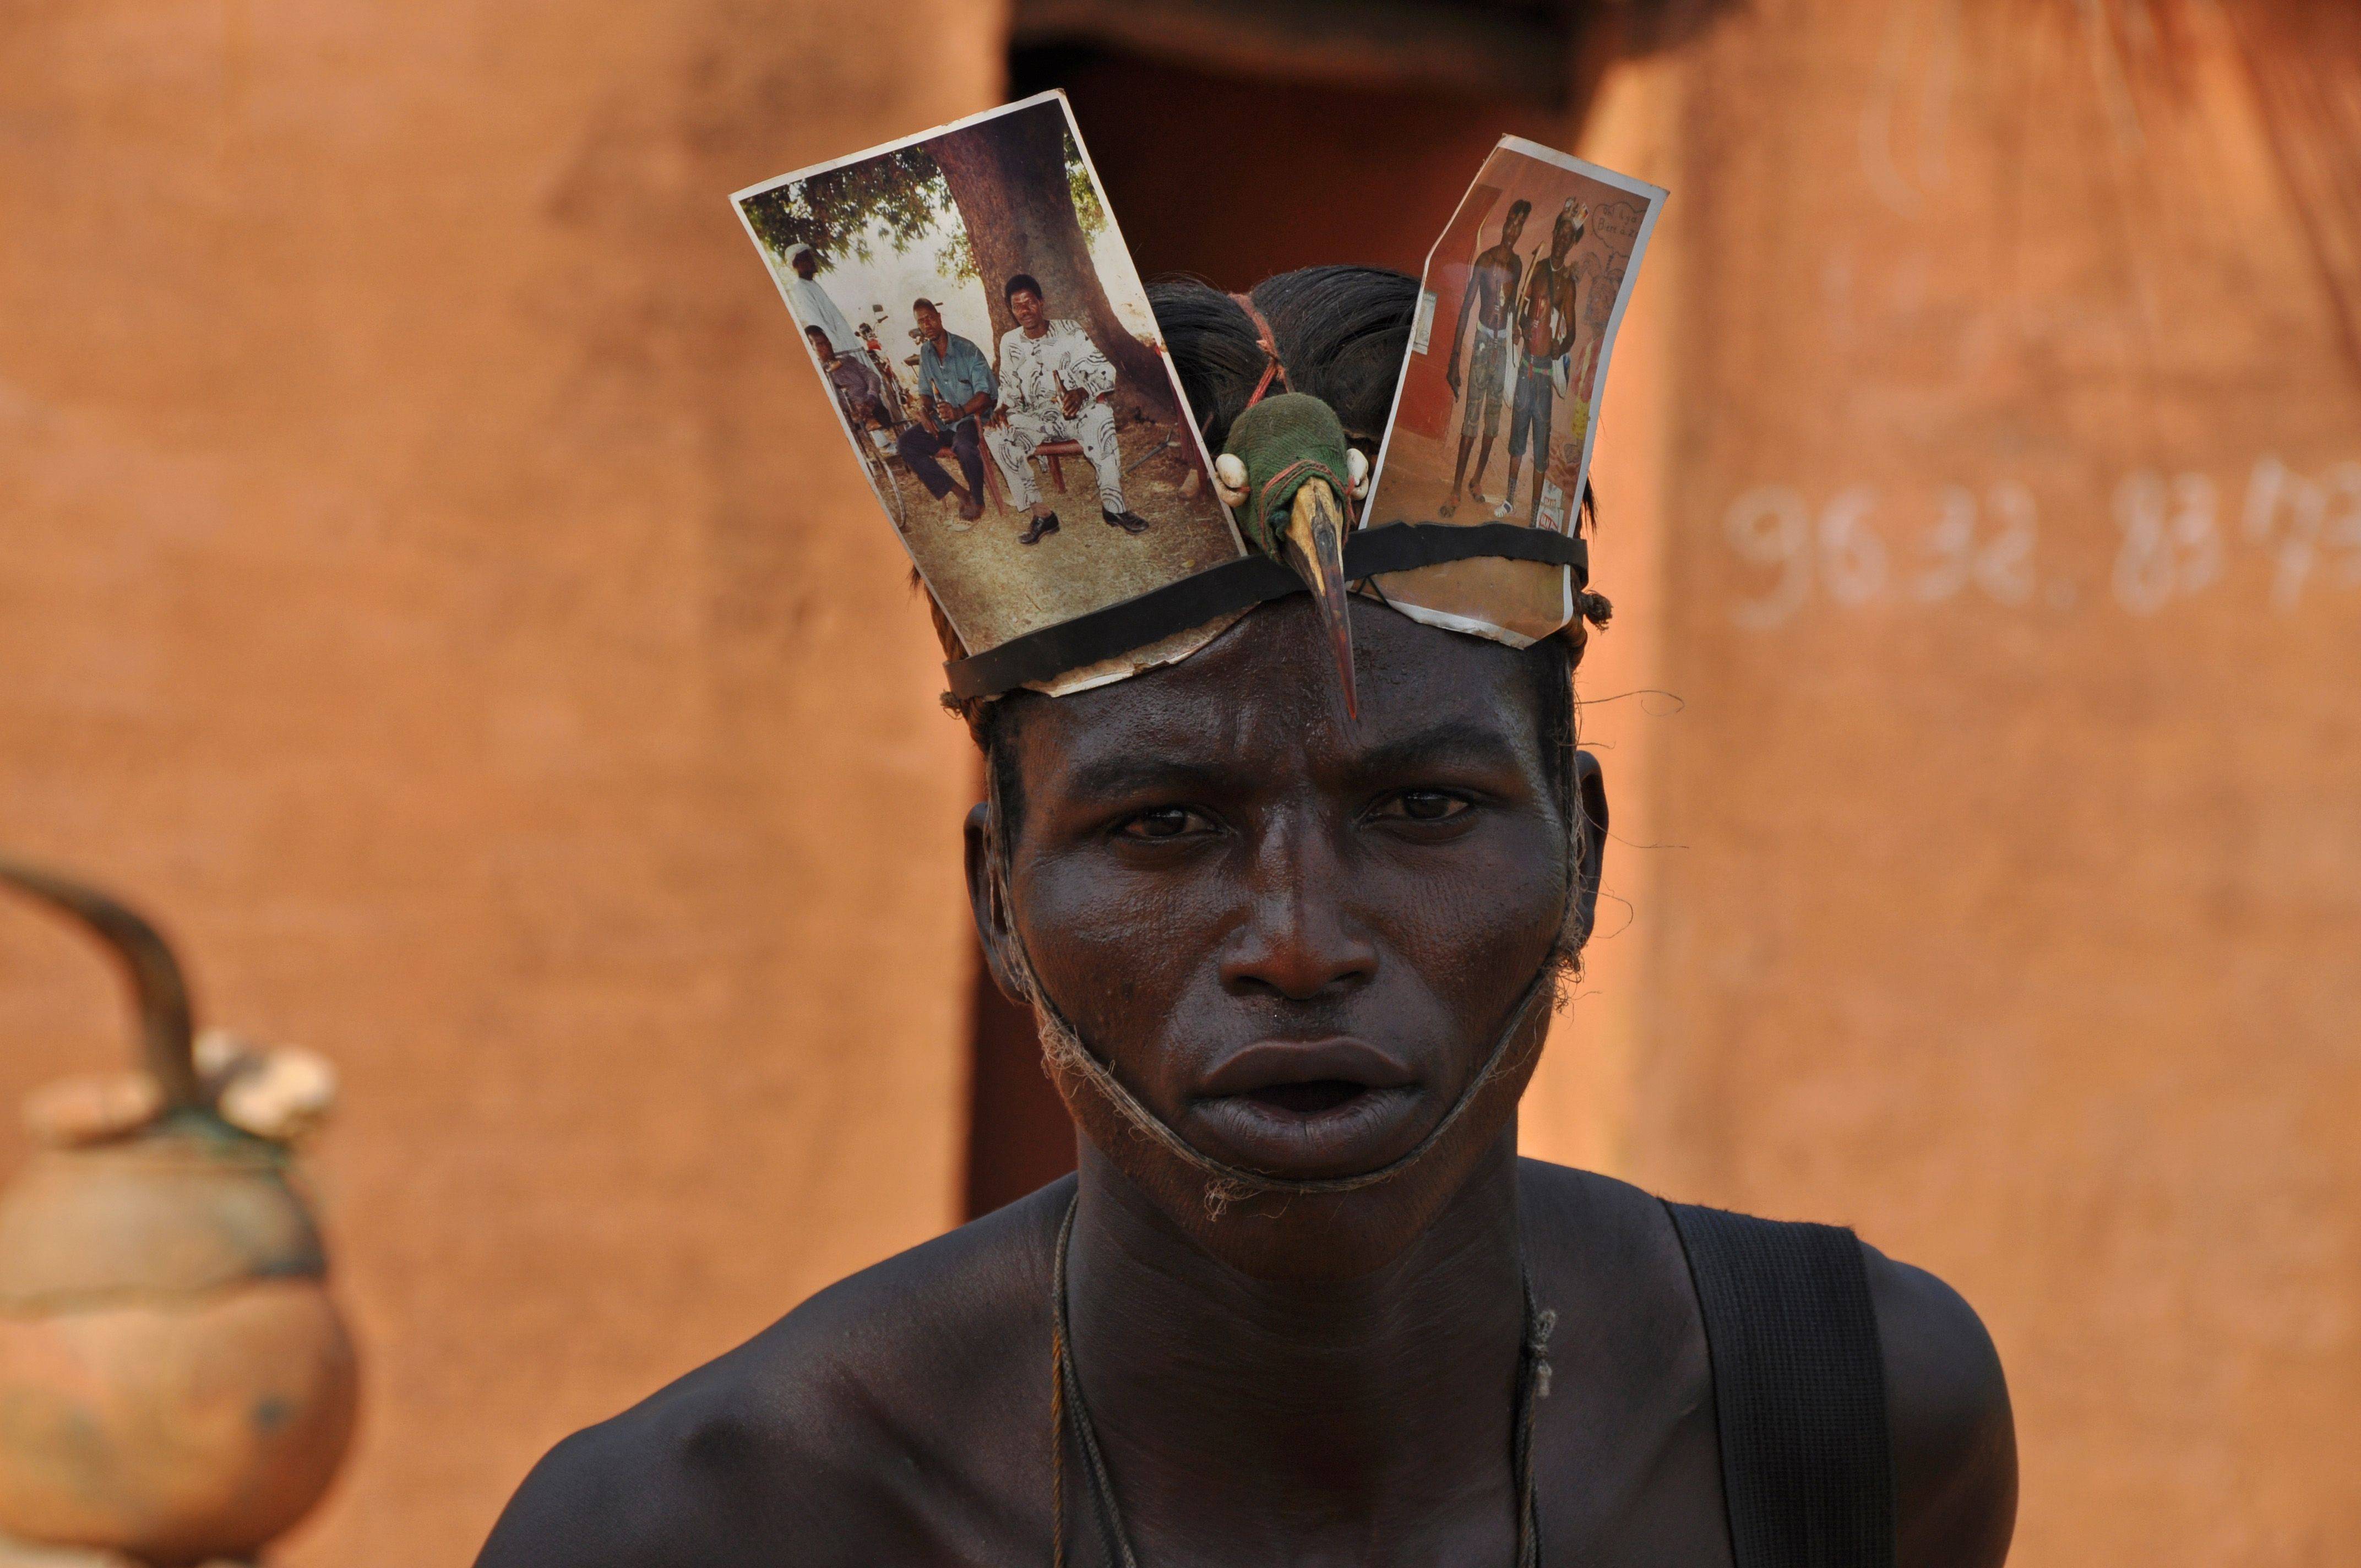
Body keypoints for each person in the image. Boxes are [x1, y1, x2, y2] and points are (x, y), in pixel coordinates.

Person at [476, 266, 2016, 1568]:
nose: (1298, 941)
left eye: (1423, 807)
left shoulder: (1848, 1426)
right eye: (1162, 826)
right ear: (998, 901)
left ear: (1583, 854)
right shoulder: (693, 1527)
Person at [982, 271, 1154, 546]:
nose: (1025, 311)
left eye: (1030, 302)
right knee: (994, 434)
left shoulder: (1070, 331)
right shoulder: (1010, 342)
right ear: (1011, 310)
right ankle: (1042, 515)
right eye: (1017, 306)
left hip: (1073, 414)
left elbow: (1106, 372)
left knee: (1101, 414)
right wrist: (1002, 408)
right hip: (1035, 419)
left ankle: (1114, 508)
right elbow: (1008, 386)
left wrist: (1083, 391)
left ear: (1041, 302)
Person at [1500, 199, 1594, 527]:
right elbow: (1521, 307)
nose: (1563, 241)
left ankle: (1532, 516)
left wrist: (1560, 346)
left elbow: (1572, 333)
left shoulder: (1568, 285)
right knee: (1517, 439)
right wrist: (1521, 325)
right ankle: (1509, 500)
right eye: (1561, 233)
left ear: (1572, 243)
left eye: (1570, 237)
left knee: (1540, 445)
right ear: (1554, 234)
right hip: (1526, 366)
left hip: (1543, 374)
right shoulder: (1537, 268)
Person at [1439, 198, 1529, 519]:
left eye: (1520, 226)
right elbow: (1466, 308)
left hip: (1502, 348)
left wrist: (1516, 327)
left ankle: (1476, 480)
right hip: (1480, 345)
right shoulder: (1485, 260)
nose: (1513, 230)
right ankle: (1455, 489)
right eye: (1511, 222)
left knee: (1492, 422)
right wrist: (1454, 359)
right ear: (1505, 223)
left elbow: (1513, 304)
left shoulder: (1518, 265)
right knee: (1471, 420)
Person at [894, 296, 994, 526]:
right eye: (921, 321)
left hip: (970, 417)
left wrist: (959, 412)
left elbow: (986, 395)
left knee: (964, 446)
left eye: (930, 318)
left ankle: (978, 500)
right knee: (906, 443)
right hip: (943, 422)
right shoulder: (926, 353)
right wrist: (924, 411)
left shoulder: (967, 349)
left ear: (939, 318)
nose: (927, 325)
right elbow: (925, 393)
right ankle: (961, 493)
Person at [781, 241, 859, 374]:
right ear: (796, 265)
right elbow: (816, 322)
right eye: (807, 259)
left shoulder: (813, 285)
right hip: (840, 349)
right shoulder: (801, 289)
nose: (812, 262)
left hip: (847, 343)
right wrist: (837, 348)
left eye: (811, 258)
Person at [806, 323, 886, 428]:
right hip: (850, 417)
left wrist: (871, 397)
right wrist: (851, 408)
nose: (827, 346)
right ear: (811, 349)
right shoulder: (819, 376)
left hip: (872, 405)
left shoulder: (849, 360)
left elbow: (872, 376)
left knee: (883, 415)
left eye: (827, 342)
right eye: (820, 344)